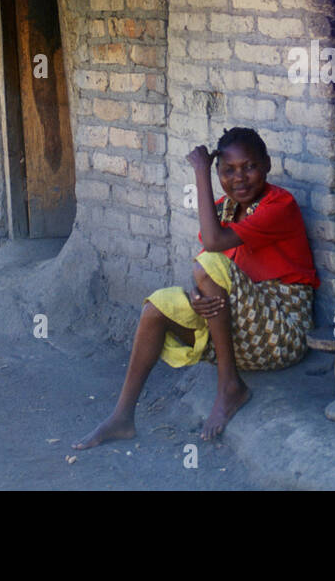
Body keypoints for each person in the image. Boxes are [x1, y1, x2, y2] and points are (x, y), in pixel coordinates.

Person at [73, 126, 318, 448]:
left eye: (250, 167)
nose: (240, 178)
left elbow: (214, 247)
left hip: (283, 333)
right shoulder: (225, 210)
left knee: (208, 264)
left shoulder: (279, 205)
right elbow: (208, 268)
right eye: (228, 170)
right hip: (245, 332)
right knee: (156, 307)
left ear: (267, 165)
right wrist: (197, 297)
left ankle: (230, 386)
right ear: (220, 173)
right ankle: (122, 416)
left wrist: (200, 171)